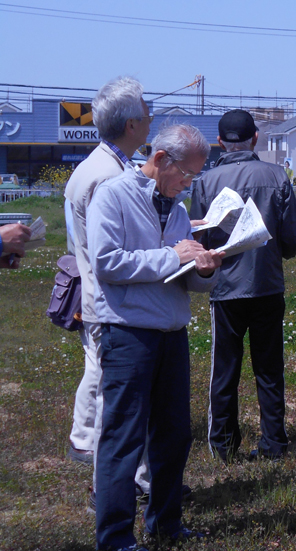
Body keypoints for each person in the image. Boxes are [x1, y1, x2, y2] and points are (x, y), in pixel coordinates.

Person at [88, 124, 223, 550]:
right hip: (128, 334)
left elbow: (181, 278)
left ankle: (165, 523)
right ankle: (114, 538)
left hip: (171, 332)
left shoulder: (179, 210)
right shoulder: (112, 195)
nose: (189, 184)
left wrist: (204, 271)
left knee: (174, 435)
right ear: (161, 159)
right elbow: (107, 262)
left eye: (195, 177)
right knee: (123, 437)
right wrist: (172, 255)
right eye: (187, 174)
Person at [190, 109, 296, 462]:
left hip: (224, 288)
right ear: (256, 138)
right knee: (269, 368)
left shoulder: (206, 182)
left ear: (220, 142)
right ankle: (274, 442)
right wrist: (278, 252)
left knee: (224, 368)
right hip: (267, 284)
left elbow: (198, 237)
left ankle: (223, 444)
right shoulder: (276, 175)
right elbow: (291, 237)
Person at [62, 77, 154, 504]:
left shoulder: (101, 166)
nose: (151, 117)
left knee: (108, 390)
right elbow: (114, 252)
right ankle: (118, 483)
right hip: (112, 302)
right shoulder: (106, 177)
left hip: (102, 297)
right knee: (118, 402)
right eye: (146, 111)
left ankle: (123, 477)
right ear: (132, 124)